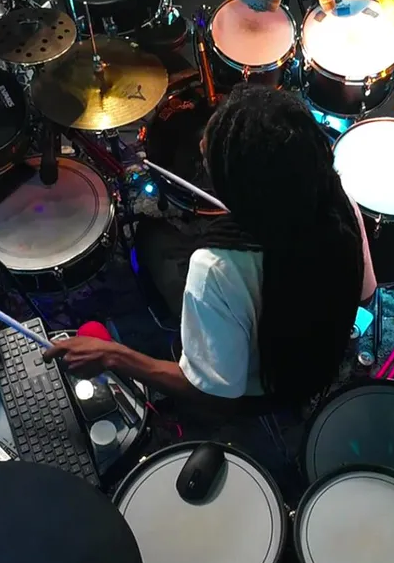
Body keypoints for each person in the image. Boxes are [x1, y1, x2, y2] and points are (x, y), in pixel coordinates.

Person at [45, 85, 376, 410]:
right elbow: (364, 295)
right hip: (322, 360)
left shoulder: (215, 268)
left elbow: (210, 391)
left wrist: (113, 355)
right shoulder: (338, 201)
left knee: (153, 239)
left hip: (264, 389)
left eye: (210, 160)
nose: (203, 148)